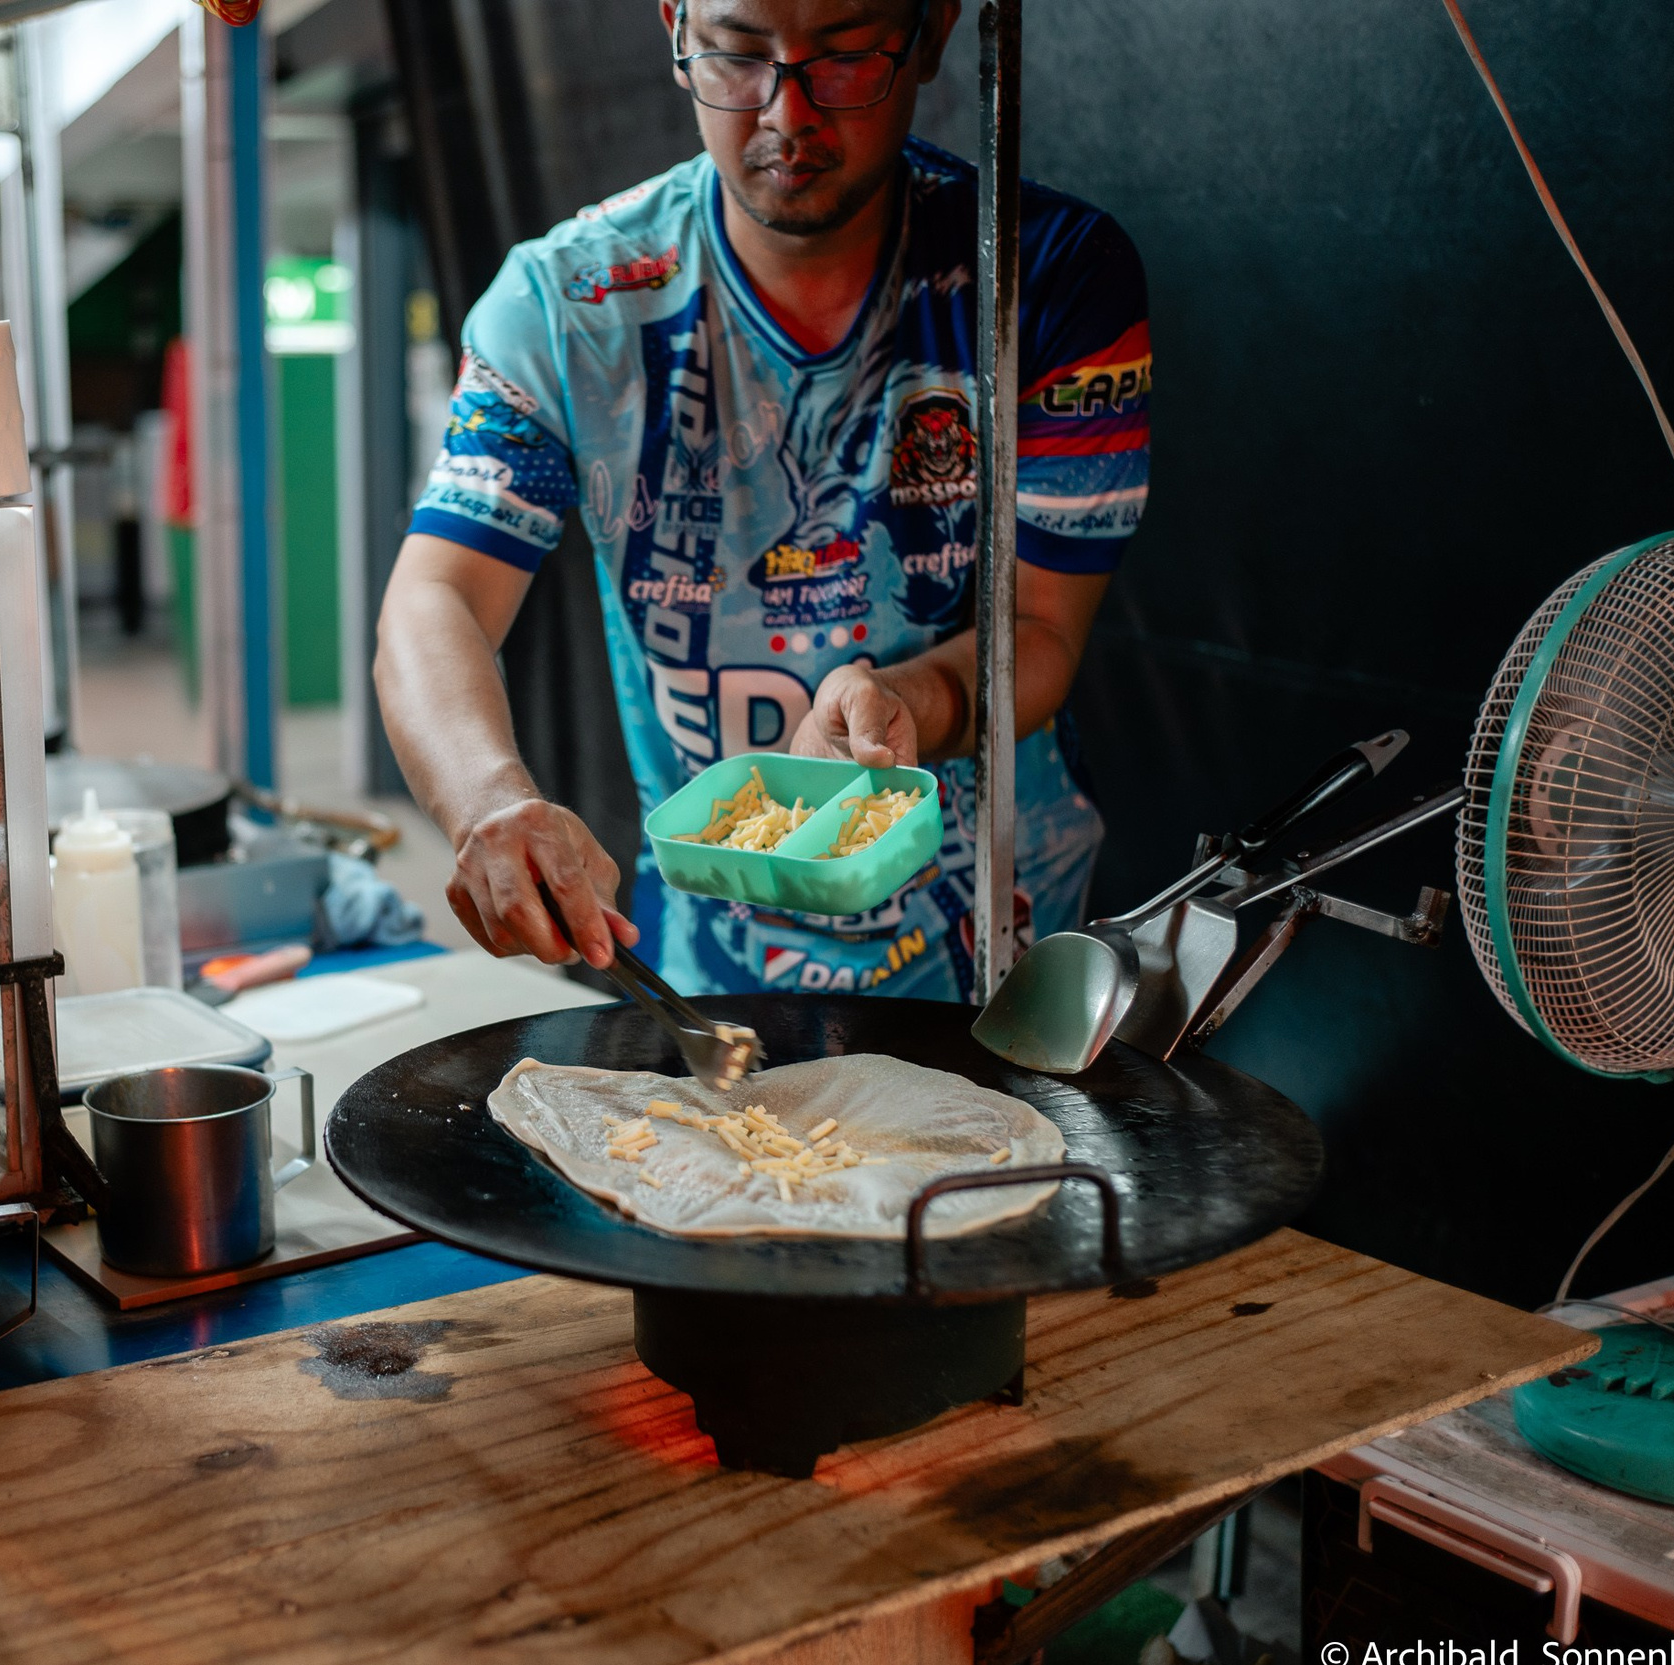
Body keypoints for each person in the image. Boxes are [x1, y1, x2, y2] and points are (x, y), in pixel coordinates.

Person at [374, 0, 1149, 1001]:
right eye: (737, 55)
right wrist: (486, 801)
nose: (786, 112)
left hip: (995, 943)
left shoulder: (1048, 277)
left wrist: (902, 701)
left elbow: (1042, 629)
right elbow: (433, 597)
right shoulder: (569, 304)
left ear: (931, 32)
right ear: (672, 26)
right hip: (717, 958)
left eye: (843, 56)